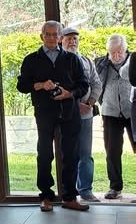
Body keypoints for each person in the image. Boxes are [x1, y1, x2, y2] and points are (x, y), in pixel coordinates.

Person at [17, 21, 89, 211]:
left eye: (55, 34)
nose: (51, 38)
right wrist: (40, 85)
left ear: (60, 37)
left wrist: (69, 94)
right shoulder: (31, 59)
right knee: (44, 154)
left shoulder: (72, 59)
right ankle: (46, 196)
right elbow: (21, 86)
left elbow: (83, 85)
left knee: (71, 154)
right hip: (44, 112)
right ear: (42, 36)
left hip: (69, 112)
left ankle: (69, 197)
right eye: (47, 34)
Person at [60, 27, 102, 203]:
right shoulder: (58, 61)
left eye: (75, 39)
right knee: (68, 154)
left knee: (85, 154)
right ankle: (68, 193)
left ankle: (85, 190)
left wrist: (89, 104)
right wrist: (75, 105)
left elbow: (96, 84)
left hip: (86, 115)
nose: (73, 42)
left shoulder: (87, 61)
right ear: (62, 40)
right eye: (69, 38)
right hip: (65, 115)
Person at [95, 34, 134, 201]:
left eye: (120, 52)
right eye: (113, 52)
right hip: (110, 112)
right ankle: (115, 187)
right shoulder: (101, 63)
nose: (116, 56)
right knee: (112, 151)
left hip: (132, 111)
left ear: (125, 50)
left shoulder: (133, 61)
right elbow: (95, 83)